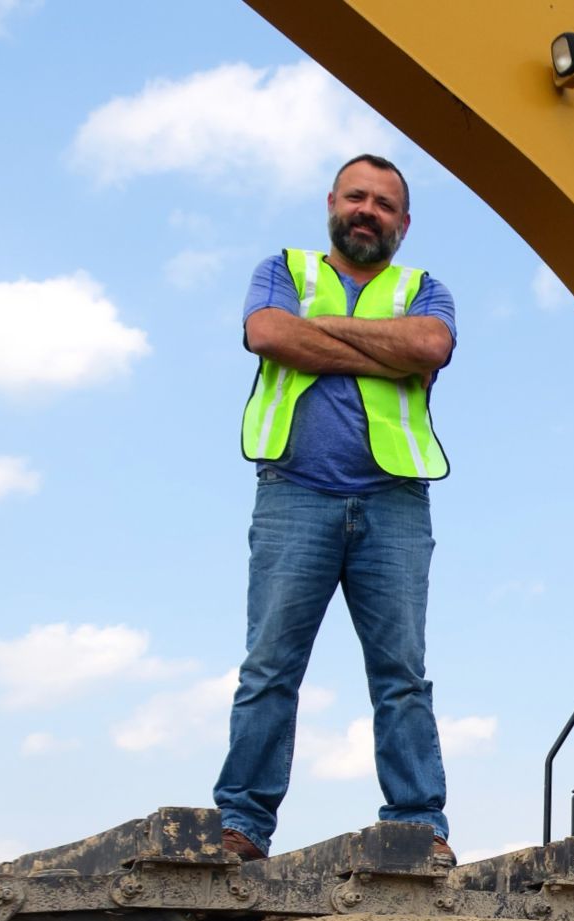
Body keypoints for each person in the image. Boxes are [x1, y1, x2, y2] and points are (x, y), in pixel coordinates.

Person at [215, 153, 458, 864]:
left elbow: (430, 345)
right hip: (294, 490)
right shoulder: (283, 270)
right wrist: (383, 351)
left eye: (384, 204)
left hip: (395, 503)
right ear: (331, 202)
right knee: (269, 667)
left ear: (403, 223)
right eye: (357, 197)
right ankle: (243, 826)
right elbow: (268, 334)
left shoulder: (425, 287)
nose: (368, 211)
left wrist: (320, 335)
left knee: (402, 675)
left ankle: (418, 825)